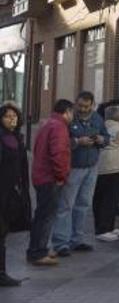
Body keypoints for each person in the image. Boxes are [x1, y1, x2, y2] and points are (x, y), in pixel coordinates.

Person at [52, 91, 108, 257]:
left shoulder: (97, 118)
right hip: (74, 167)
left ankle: (77, 239)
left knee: (83, 204)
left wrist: (100, 139)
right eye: (80, 105)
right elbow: (60, 142)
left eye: (86, 106)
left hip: (91, 166)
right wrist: (78, 142)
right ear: (76, 103)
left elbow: (107, 137)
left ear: (92, 105)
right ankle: (61, 242)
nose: (83, 109)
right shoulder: (69, 119)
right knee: (66, 205)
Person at [27, 100, 73, 266]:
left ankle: (39, 248)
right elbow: (58, 154)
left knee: (42, 215)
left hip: (41, 175)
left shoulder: (47, 123)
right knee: (46, 216)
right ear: (67, 111)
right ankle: (38, 252)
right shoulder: (59, 127)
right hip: (50, 178)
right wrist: (61, 176)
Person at [93, 105, 119, 242]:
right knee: (110, 199)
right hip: (114, 166)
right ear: (118, 116)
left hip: (99, 165)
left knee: (99, 198)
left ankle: (103, 227)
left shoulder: (99, 125)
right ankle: (105, 229)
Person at [0, 104, 30, 285]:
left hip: (11, 194)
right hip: (2, 193)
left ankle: (2, 272)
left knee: (3, 234)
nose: (12, 119)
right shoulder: (3, 139)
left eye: (14, 116)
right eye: (7, 116)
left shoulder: (16, 138)